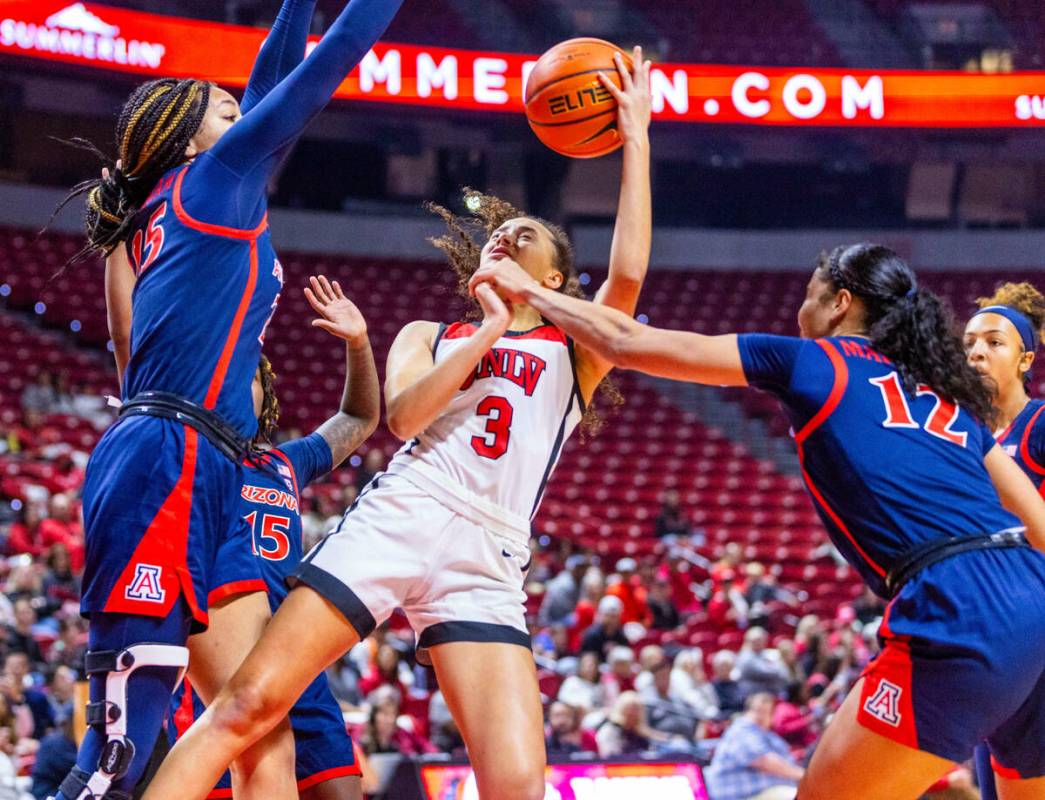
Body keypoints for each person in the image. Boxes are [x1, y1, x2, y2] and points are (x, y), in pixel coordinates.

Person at [140, 48, 652, 800]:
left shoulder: (573, 351)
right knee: (247, 707)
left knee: (519, 787)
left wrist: (634, 137)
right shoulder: (429, 333)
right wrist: (484, 328)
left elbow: (629, 274)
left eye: (525, 238)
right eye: (497, 236)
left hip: (488, 553)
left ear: (551, 279)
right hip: (404, 513)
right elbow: (405, 415)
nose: (504, 237)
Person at [472, 242, 1045, 799]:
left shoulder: (816, 361)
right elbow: (1037, 523)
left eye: (808, 295)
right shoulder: (942, 398)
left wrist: (526, 289)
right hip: (1032, 600)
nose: (800, 312)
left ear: (839, 303)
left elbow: (625, 339)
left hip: (956, 605)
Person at [54, 0, 405, 797]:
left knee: (258, 730)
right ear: (188, 135)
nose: (243, 110)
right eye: (225, 108)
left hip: (208, 461)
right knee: (122, 743)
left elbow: (270, 77)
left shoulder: (197, 190)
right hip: (164, 451)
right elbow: (325, 64)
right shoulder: (212, 181)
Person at [170, 278, 379, 800]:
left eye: (253, 377)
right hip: (220, 660)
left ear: (266, 395)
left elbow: (360, 417)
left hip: (292, 654)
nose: (242, 385)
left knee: (343, 791)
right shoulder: (193, 456)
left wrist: (358, 344)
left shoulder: (284, 462)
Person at [963, 282, 1045, 800]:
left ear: (1025, 359)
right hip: (987, 631)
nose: (976, 352)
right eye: (969, 343)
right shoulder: (961, 432)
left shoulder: (1039, 423)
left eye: (994, 343)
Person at [704, 693, 804, 800]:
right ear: (746, 711)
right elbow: (765, 762)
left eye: (767, 712)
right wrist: (805, 776)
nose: (761, 716)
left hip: (769, 791)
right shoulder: (742, 729)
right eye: (758, 710)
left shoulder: (766, 734)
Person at [579, 595, 629, 662]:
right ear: (601, 615)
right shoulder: (591, 635)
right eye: (608, 616)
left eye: (614, 617)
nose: (611, 620)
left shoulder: (622, 635)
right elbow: (586, 659)